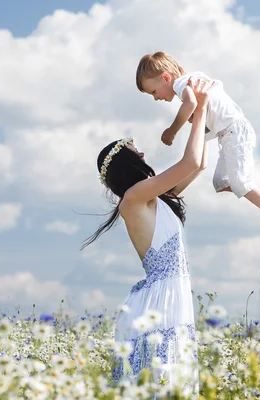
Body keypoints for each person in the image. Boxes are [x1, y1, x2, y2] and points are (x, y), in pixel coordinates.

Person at [81, 78, 214, 396]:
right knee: (163, 381)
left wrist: (201, 120)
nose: (140, 151)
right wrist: (201, 106)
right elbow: (190, 162)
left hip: (171, 295)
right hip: (162, 301)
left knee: (174, 381)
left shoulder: (156, 197)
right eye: (133, 149)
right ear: (126, 161)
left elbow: (199, 165)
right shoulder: (135, 197)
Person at [136, 51, 260, 251]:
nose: (155, 98)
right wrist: (173, 192)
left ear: (166, 78)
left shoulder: (183, 86)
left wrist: (172, 130)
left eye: (153, 92)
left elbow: (191, 104)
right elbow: (199, 163)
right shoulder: (195, 89)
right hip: (228, 134)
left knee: (240, 183)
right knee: (221, 183)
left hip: (235, 132)